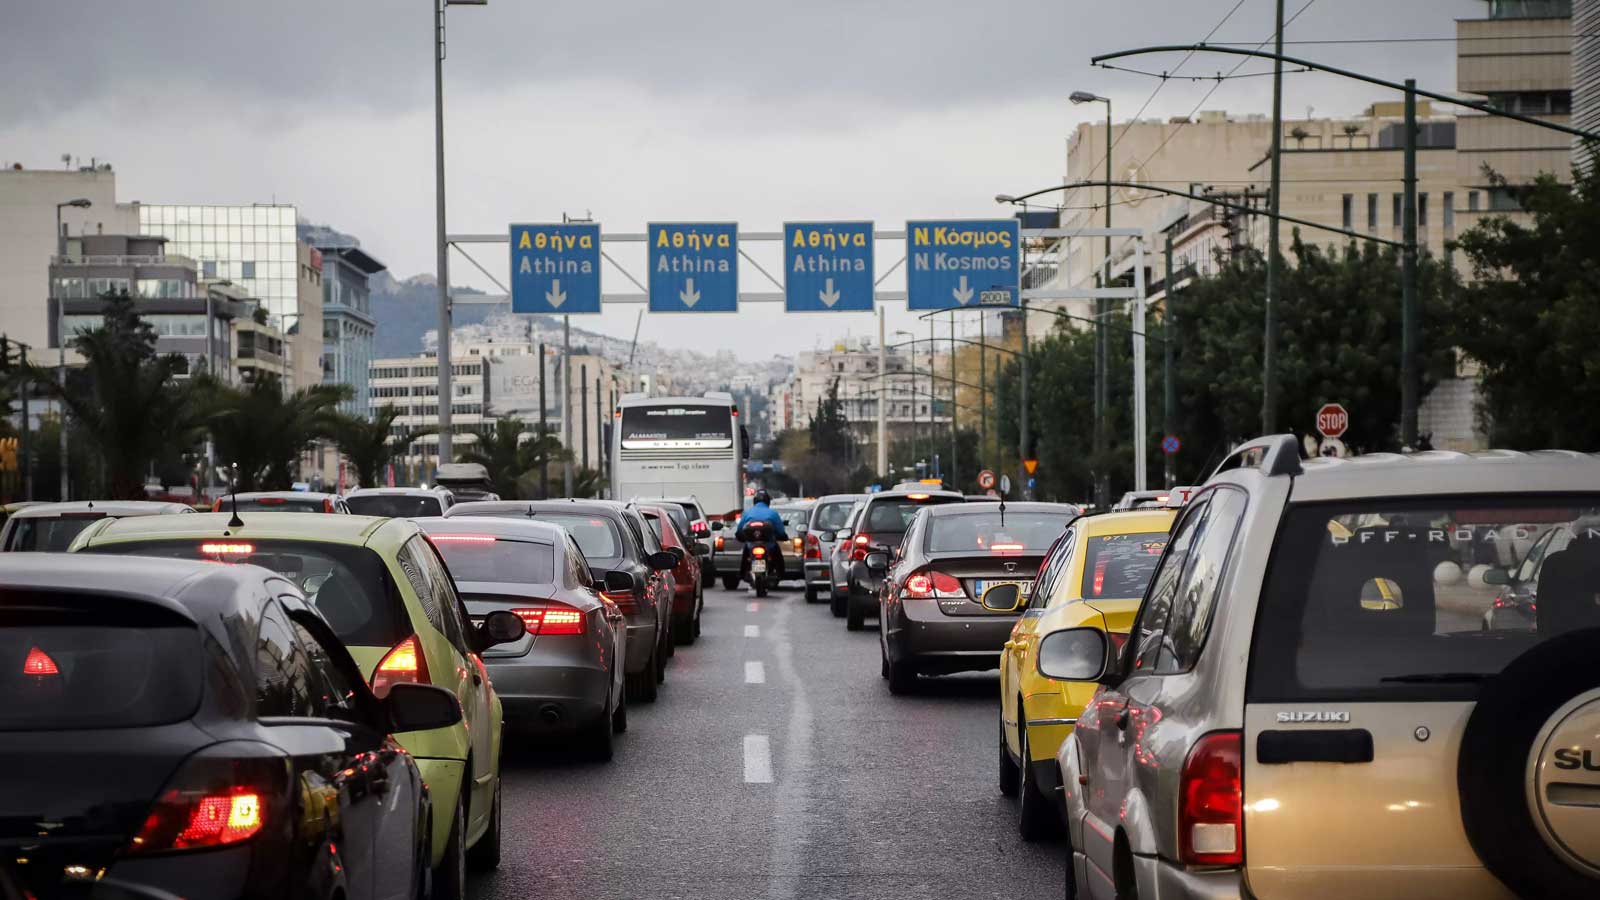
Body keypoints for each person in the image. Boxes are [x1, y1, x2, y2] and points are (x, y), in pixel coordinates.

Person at [735, 491, 788, 581]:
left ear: (754, 501)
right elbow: (780, 530)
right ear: (768, 502)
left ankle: (743, 573)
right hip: (768, 544)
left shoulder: (747, 513)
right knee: (777, 554)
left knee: (746, 551)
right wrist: (783, 536)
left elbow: (740, 529)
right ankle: (781, 573)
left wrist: (740, 536)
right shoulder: (772, 513)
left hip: (751, 544)